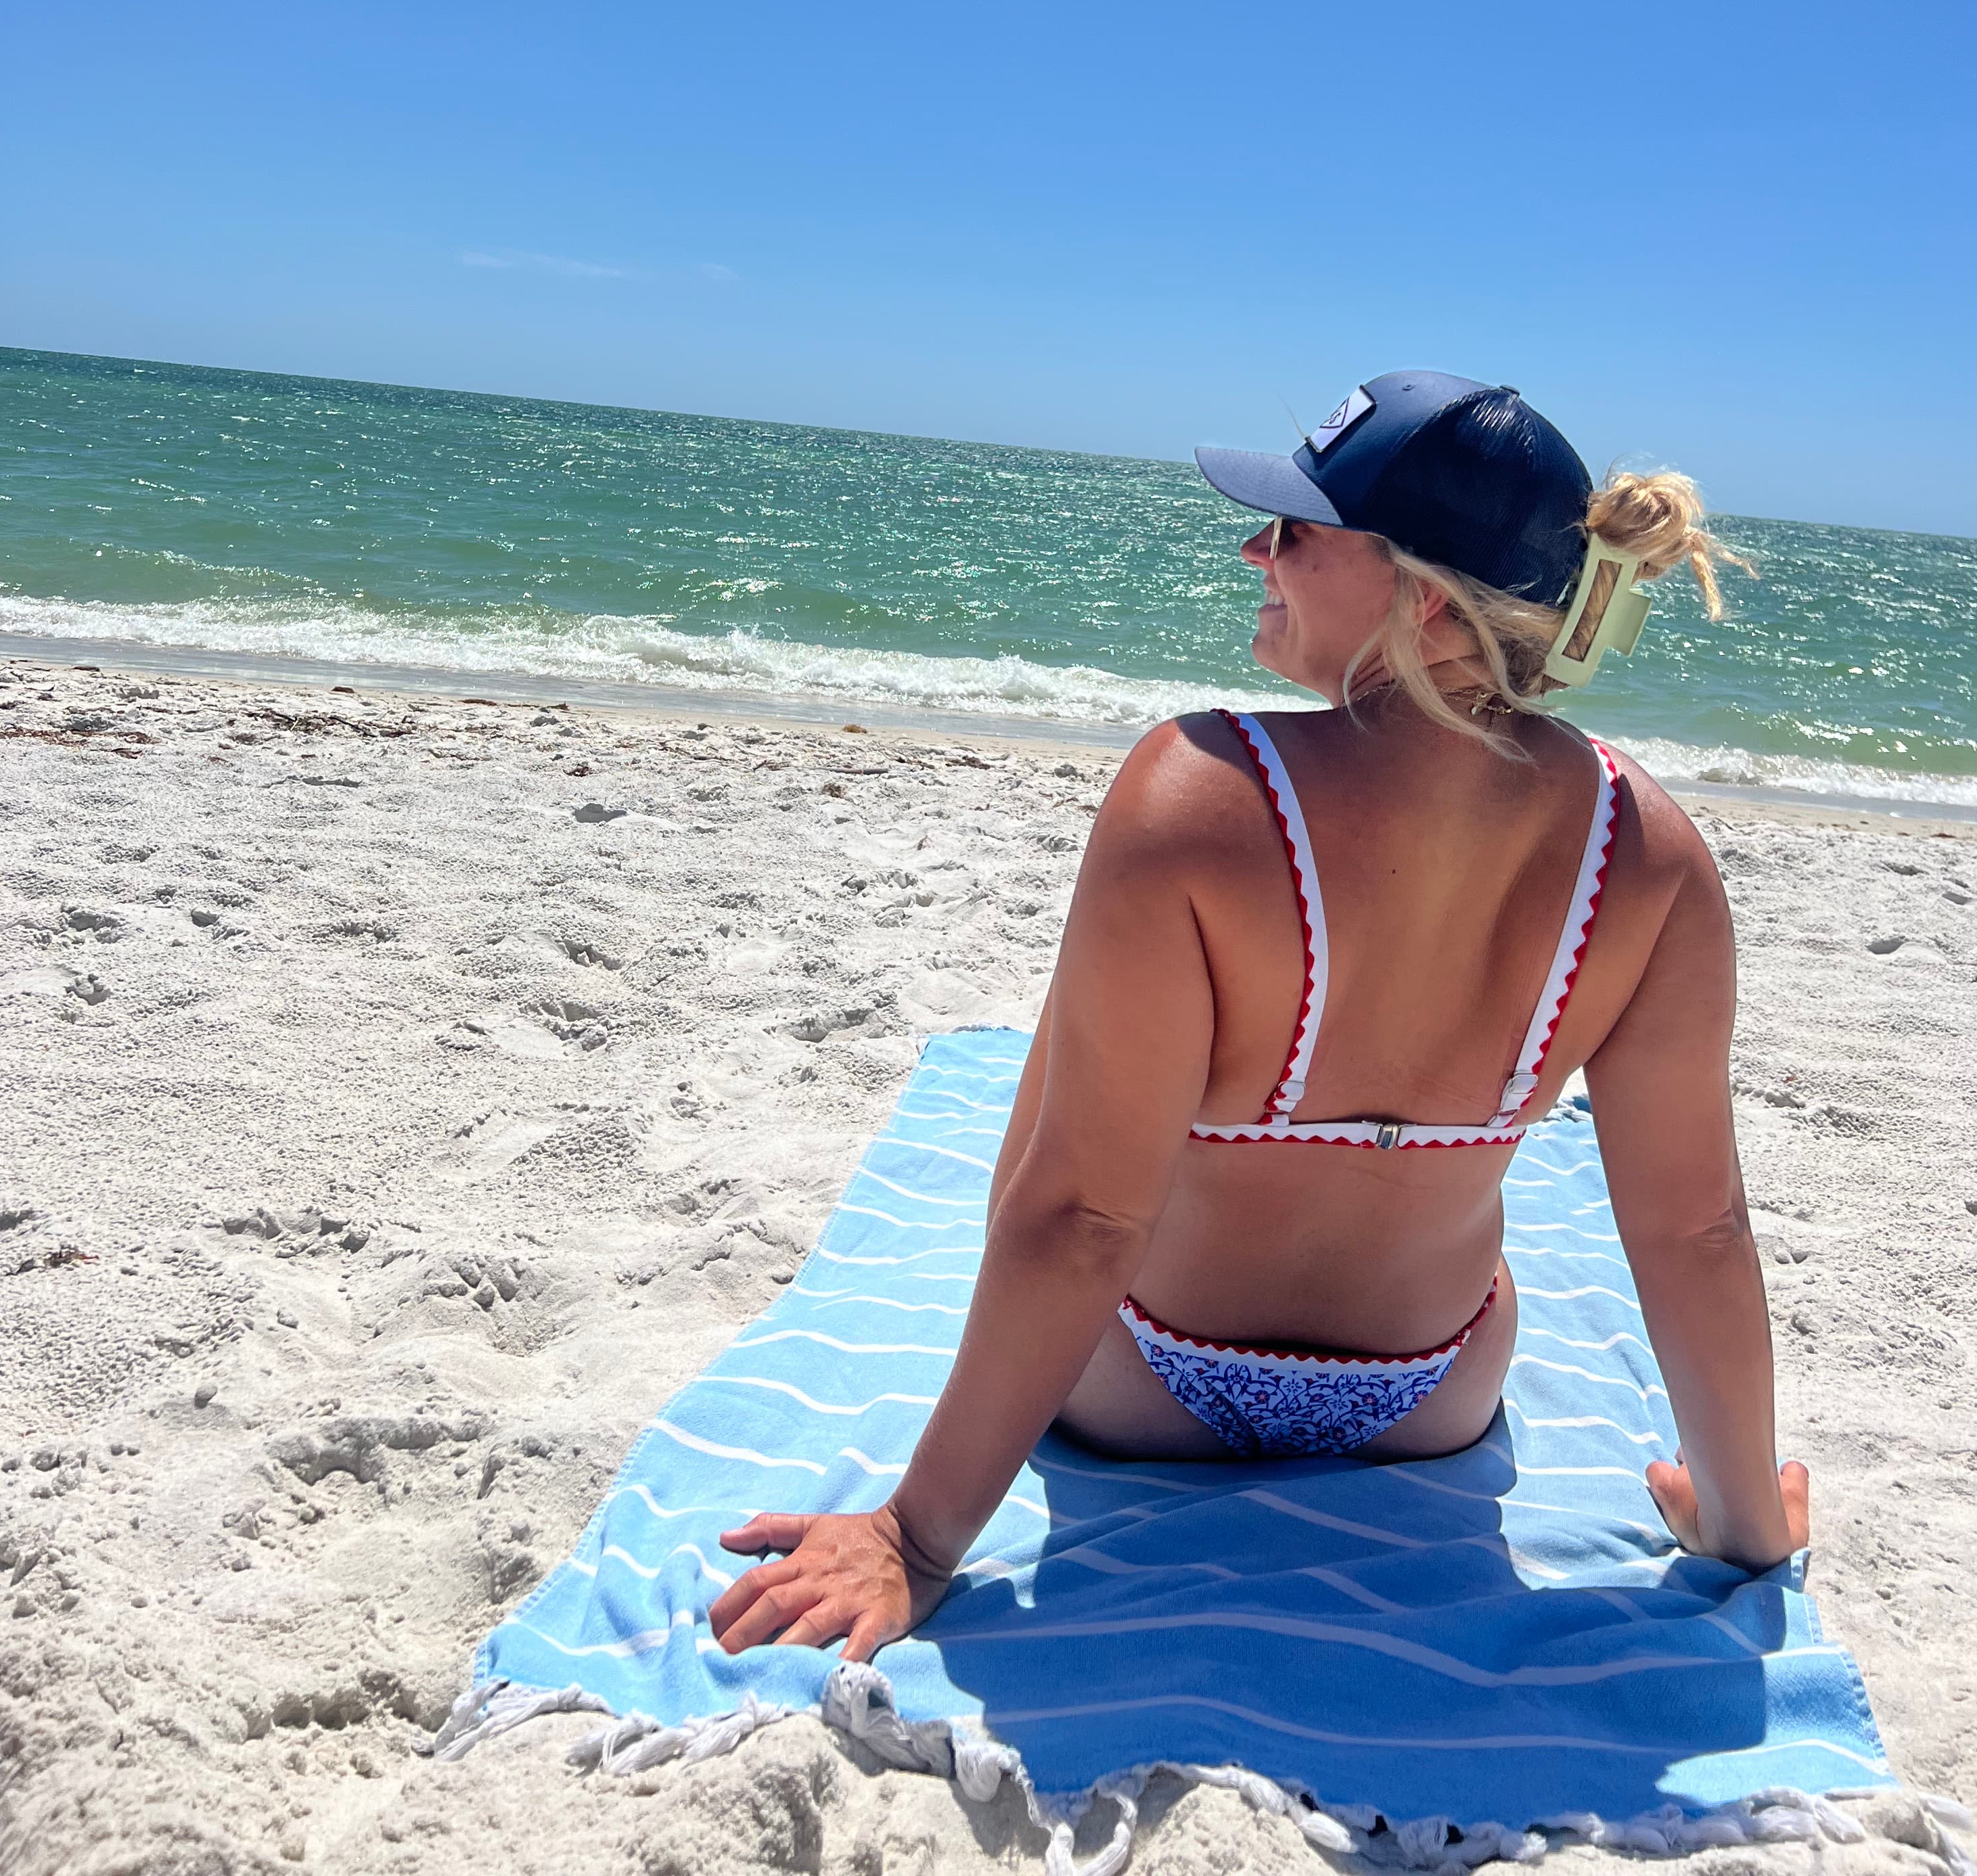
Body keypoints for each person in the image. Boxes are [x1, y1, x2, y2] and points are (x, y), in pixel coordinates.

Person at [710, 370, 1809, 1664]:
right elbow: (1694, 1229)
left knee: (1095, 1040)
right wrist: (1740, 1524)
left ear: (1431, 605)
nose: (1255, 549)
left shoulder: (1201, 794)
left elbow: (1082, 1217)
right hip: (1430, 1395)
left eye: (1297, 531)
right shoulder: (1651, 854)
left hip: (1135, 1387)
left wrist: (919, 1538)